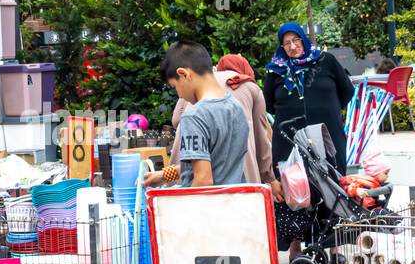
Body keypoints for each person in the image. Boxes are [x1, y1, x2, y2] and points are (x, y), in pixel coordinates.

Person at [145, 42, 248, 188]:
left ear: (184, 74)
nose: (179, 94)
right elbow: (217, 165)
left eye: (175, 87)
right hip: (233, 203)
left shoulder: (194, 116)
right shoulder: (236, 108)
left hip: (205, 208)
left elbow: (203, 180)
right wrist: (165, 175)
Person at [168, 52, 276, 191]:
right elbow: (261, 139)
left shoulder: (193, 103)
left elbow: (203, 179)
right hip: (235, 186)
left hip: (199, 193)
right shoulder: (241, 100)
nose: (179, 93)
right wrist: (269, 178)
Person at [264, 21, 355, 172]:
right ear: (282, 46)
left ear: (303, 38)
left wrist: (329, 110)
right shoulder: (275, 71)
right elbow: (268, 103)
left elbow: (347, 90)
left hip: (328, 134)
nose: (292, 47)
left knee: (334, 185)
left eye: (296, 40)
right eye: (287, 43)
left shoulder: (326, 60)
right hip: (289, 139)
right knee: (295, 188)